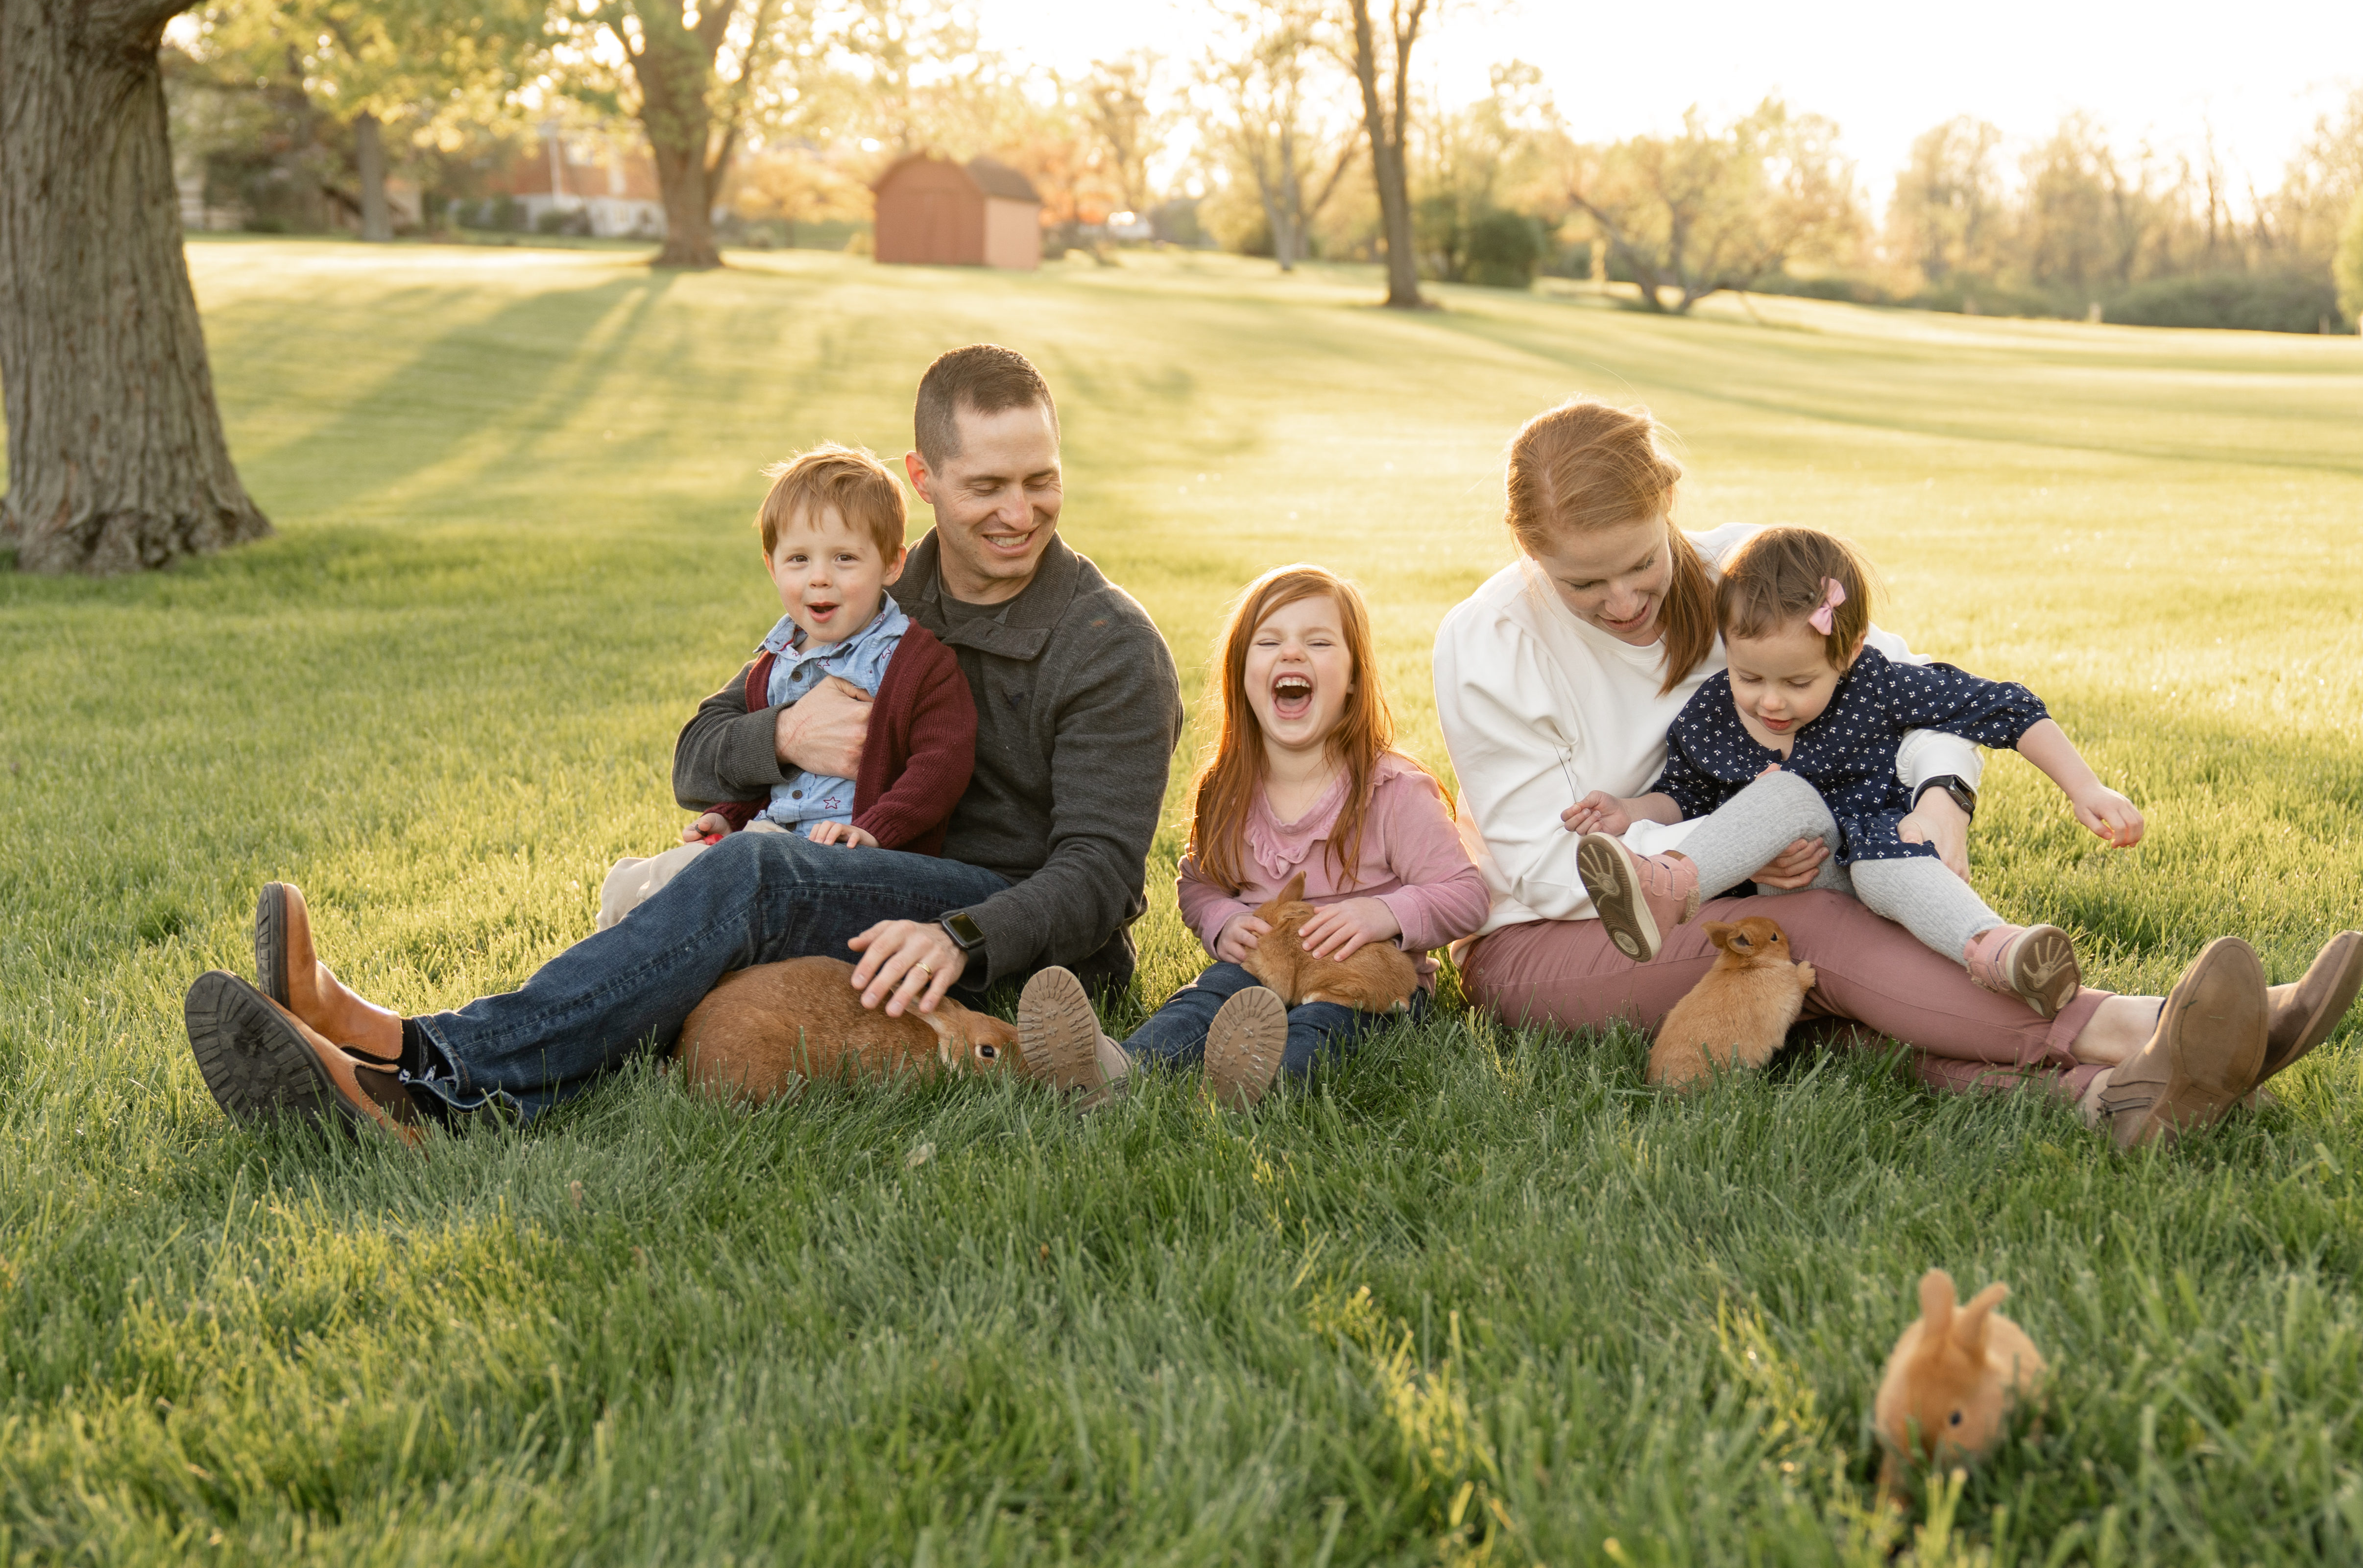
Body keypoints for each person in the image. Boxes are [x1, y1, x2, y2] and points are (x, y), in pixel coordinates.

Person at [180, 344, 1182, 1138]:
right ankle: (386, 1043)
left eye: (1041, 481)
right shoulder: (871, 582)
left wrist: (958, 936)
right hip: (859, 874)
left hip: (1001, 934)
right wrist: (785, 735)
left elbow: (1100, 878)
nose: (1019, 512)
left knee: (757, 876)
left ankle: (434, 1079)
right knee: (704, 885)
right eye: (987, 486)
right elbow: (696, 754)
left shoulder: (1107, 645)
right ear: (922, 478)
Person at [1432, 398, 2363, 1148]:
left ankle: (2114, 1097)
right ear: (1528, 553)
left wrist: (1941, 798)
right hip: (1550, 946)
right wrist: (1744, 850)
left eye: (1640, 563)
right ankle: (2145, 1024)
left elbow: (1905, 694)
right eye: (1582, 584)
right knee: (1803, 929)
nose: (1622, 601)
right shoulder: (1489, 643)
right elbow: (1545, 872)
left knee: (1851, 984)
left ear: (1668, 502)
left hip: (1744, 886)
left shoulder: (1750, 574)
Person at [1568, 524, 2144, 1020]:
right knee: (1784, 793)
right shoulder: (1713, 715)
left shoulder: (1876, 684)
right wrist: (1631, 811)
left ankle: (1997, 949)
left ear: (1848, 652)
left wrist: (2084, 786)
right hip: (1792, 895)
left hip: (1885, 868)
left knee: (1885, 856)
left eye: (1798, 683)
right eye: (1750, 677)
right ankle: (1669, 889)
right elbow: (1684, 794)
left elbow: (2005, 708)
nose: (1771, 701)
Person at [1020, 566, 1489, 1106]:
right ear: (1241, 675)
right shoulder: (1228, 790)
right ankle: (1116, 1067)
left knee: (1322, 1026)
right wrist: (1224, 921)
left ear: (1354, 678)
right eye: (1269, 642)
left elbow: (1466, 896)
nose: (1292, 653)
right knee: (1205, 999)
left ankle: (1259, 1084)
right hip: (1261, 965)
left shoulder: (1393, 791)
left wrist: (1382, 914)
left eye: (1318, 642)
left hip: (1364, 985)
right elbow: (1199, 884)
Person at [593, 444, 977, 929]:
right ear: (771, 566)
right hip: (768, 841)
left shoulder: (915, 663)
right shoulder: (777, 661)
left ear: (891, 564)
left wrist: (877, 830)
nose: (819, 579)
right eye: (798, 559)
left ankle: (639, 932)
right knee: (644, 883)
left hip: (847, 862)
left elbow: (943, 763)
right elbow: (776, 778)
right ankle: (631, 926)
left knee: (680, 884)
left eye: (844, 558)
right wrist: (730, 814)